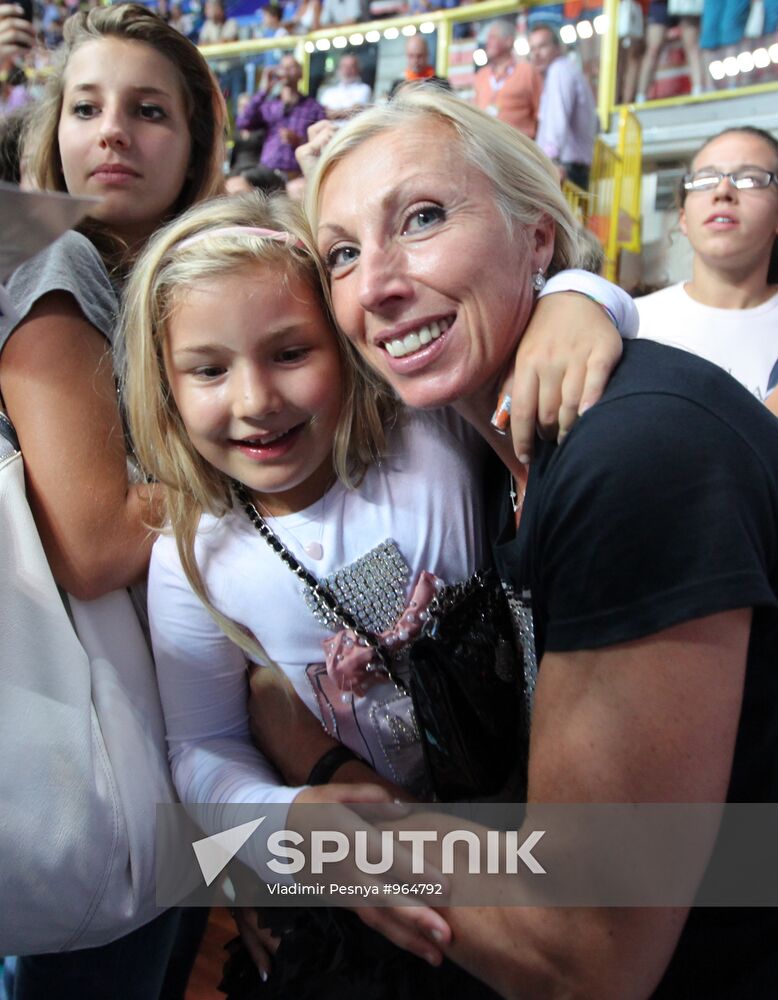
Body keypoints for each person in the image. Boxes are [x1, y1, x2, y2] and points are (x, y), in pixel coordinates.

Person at [302, 86, 778, 999]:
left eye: (425, 217)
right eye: (343, 254)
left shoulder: (635, 460)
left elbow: (584, 951)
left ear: (538, 238)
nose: (377, 283)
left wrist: (323, 845)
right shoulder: (477, 448)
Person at [0, 5, 225, 996]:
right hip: (91, 746)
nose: (113, 131)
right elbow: (92, 535)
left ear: (195, 147)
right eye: (85, 107)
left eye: (148, 111)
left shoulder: (162, 282)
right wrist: (256, 484)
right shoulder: (59, 259)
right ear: (49, 135)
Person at [636, 127, 778, 402]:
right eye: (705, 180)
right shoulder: (633, 323)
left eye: (749, 179)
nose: (723, 190)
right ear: (684, 219)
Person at [236, 54, 325, 181]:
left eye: (291, 67)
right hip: (268, 171)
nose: (286, 70)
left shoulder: (313, 107)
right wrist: (264, 90)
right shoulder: (270, 105)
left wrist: (299, 141)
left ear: (301, 74)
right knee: (238, 184)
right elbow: (243, 122)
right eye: (283, 67)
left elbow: (323, 145)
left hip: (296, 174)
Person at [529, 22, 597, 189]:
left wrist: (550, 161)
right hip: (571, 168)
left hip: (564, 169)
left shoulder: (559, 70)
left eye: (542, 46)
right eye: (532, 49)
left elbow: (557, 121)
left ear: (558, 48)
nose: (536, 54)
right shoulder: (566, 70)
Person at [473, 18, 541, 138]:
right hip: (486, 148)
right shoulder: (481, 75)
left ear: (509, 41)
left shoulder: (527, 71)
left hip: (519, 150)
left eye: (493, 37)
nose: (487, 42)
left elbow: (541, 114)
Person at [317, 53, 371, 119]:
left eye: (351, 66)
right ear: (339, 69)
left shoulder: (364, 89)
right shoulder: (329, 91)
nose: (347, 70)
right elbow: (321, 113)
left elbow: (354, 111)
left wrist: (332, 113)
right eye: (344, 66)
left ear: (358, 69)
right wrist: (345, 111)